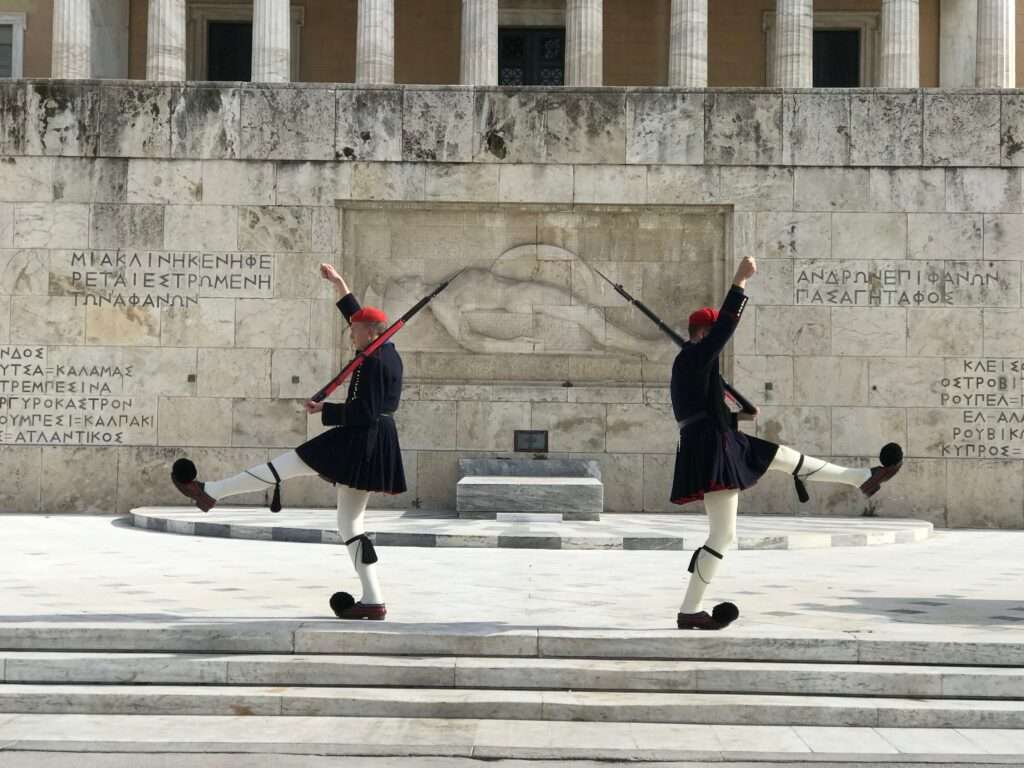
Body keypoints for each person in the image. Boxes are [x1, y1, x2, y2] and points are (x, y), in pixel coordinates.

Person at [671, 255, 903, 631]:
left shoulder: (692, 363)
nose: (719, 345)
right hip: (714, 449)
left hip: (717, 439)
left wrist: (737, 417)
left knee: (783, 457)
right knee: (723, 534)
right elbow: (724, 329)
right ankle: (690, 609)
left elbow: (698, 411)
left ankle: (861, 477)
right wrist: (739, 280)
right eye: (711, 336)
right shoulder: (696, 357)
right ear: (702, 334)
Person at [171, 263, 406, 621]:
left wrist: (324, 411)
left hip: (361, 440)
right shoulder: (383, 351)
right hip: (373, 443)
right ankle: (373, 600)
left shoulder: (375, 363)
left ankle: (211, 492)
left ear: (371, 332)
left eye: (354, 332)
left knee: (287, 465)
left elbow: (364, 413)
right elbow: (355, 314)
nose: (350, 336)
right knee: (350, 525)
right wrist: (339, 284)